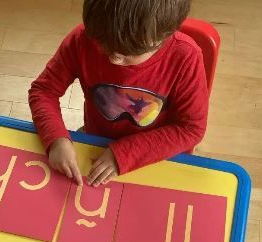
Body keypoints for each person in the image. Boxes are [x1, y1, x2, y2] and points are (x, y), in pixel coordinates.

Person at [28, 0, 208, 187]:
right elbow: (44, 90)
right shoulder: (82, 40)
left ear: (162, 38)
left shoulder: (185, 57)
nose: (114, 59)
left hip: (154, 155)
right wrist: (56, 139)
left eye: (126, 54)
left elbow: (191, 128)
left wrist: (124, 154)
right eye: (103, 46)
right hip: (95, 140)